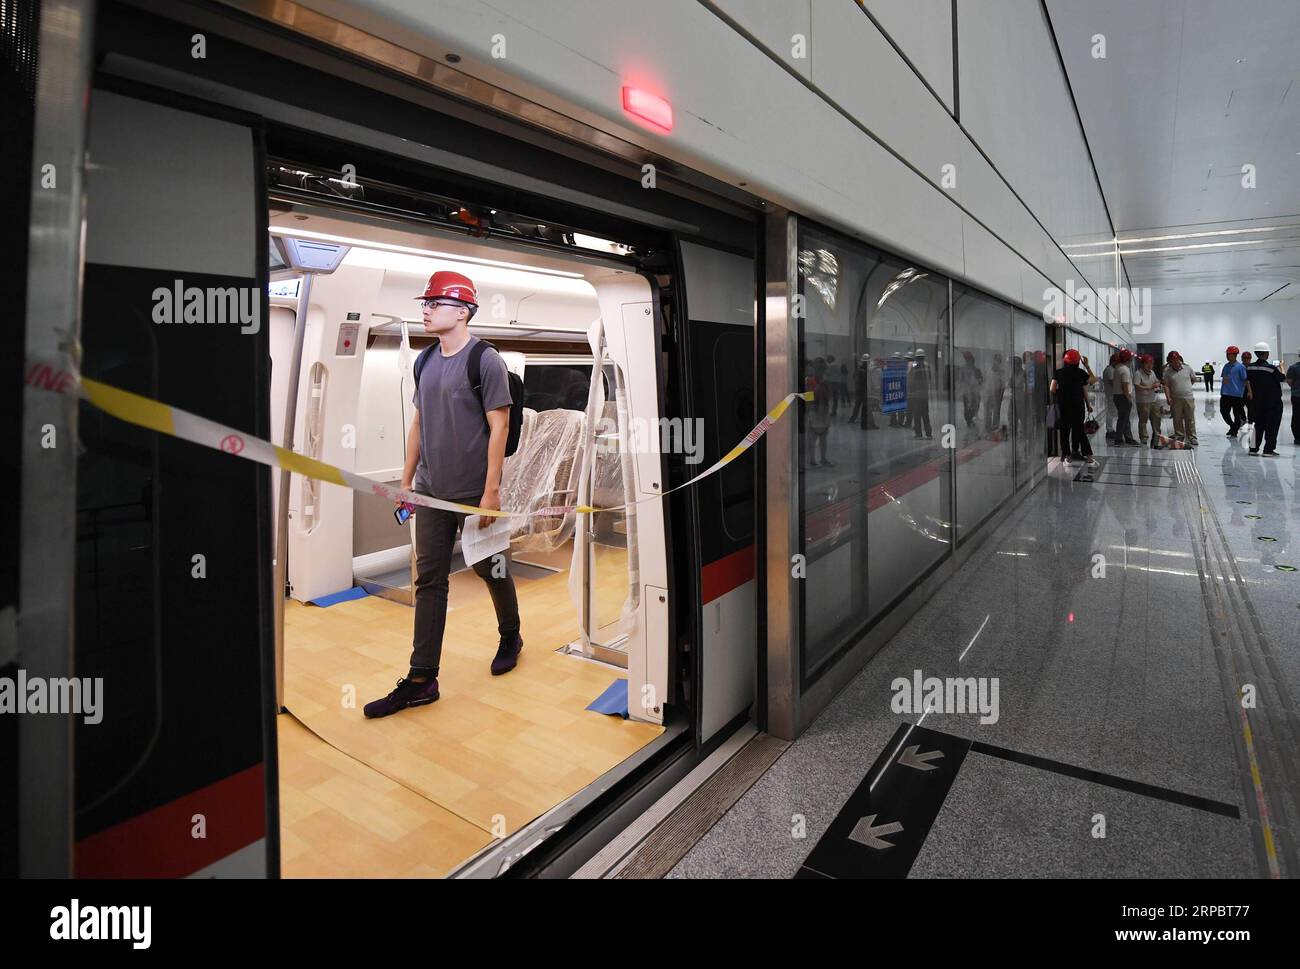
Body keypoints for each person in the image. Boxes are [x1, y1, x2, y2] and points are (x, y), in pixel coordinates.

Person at [364, 271, 522, 719]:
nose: (426, 309)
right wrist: (406, 480)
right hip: (432, 492)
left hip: (473, 494)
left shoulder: (485, 361)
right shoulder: (424, 361)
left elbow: (500, 427)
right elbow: (417, 424)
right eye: (426, 303)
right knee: (429, 579)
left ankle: (510, 635)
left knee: (491, 570)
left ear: (464, 310)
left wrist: (491, 492)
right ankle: (421, 679)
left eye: (435, 303)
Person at [1050, 349, 1097, 465]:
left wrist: (1060, 395)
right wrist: (1087, 366)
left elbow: (1052, 388)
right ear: (1078, 361)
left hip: (1064, 407)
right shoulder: (1081, 373)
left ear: (1065, 360)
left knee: (1065, 432)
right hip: (1078, 407)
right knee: (1080, 431)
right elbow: (1092, 381)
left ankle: (1068, 457)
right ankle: (1089, 457)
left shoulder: (1059, 372)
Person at [1245, 341, 1285, 456]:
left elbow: (1248, 381)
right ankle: (1268, 450)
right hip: (1273, 402)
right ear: (1265, 354)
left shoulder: (1250, 367)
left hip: (1257, 402)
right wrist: (1282, 367)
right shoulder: (1271, 368)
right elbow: (1282, 378)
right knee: (1272, 426)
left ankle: (1253, 448)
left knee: (1258, 425)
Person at [1162, 351, 1197, 447]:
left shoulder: (1187, 368)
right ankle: (1180, 435)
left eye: (1175, 360)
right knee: (1177, 418)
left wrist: (1186, 388)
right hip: (1175, 398)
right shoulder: (1168, 371)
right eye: (1171, 361)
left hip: (1188, 397)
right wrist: (1168, 397)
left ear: (1178, 359)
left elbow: (1193, 379)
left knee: (1190, 418)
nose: (1173, 362)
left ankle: (1192, 437)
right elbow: (1166, 385)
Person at [1219, 345, 1249, 438]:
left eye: (1229, 354)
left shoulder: (1240, 367)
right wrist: (1223, 389)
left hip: (1237, 395)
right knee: (1224, 412)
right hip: (1225, 394)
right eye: (1227, 354)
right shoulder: (1226, 366)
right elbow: (1224, 379)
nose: (1227, 356)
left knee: (1237, 414)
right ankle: (1233, 426)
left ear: (1235, 355)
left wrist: (1249, 392)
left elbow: (1246, 380)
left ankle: (1234, 431)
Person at [1132, 354, 1161, 448]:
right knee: (1143, 420)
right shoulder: (1138, 373)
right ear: (1143, 364)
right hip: (1143, 401)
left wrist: (1157, 383)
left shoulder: (1152, 372)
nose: (1149, 365)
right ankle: (1144, 438)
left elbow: (1156, 381)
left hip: (1153, 399)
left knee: (1156, 419)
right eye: (1147, 363)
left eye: (1151, 363)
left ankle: (1157, 436)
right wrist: (1149, 387)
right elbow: (1137, 386)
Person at [1112, 349, 1138, 445]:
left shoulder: (1118, 367)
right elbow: (1124, 385)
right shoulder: (1124, 370)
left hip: (1117, 396)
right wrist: (1128, 398)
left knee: (1125, 418)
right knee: (1123, 419)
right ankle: (1118, 440)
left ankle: (1128, 438)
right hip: (1123, 397)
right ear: (1129, 359)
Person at [910, 347, 933, 439]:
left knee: (917, 415)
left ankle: (919, 434)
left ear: (917, 357)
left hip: (917, 395)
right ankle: (929, 434)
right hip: (925, 395)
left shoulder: (915, 367)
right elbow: (930, 379)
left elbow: (912, 381)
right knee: (925, 415)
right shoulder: (927, 366)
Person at [1287, 349, 1300, 445]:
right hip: (1297, 396)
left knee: (1296, 416)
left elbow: (1290, 382)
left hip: (1297, 396)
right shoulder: (1293, 368)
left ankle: (1298, 437)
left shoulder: (1293, 368)